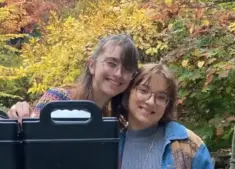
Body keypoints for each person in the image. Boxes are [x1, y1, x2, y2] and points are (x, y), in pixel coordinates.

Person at [8, 34, 139, 120]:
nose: (118, 73)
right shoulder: (58, 99)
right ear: (92, 65)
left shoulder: (114, 120)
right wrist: (19, 116)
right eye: (111, 63)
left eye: (127, 68)